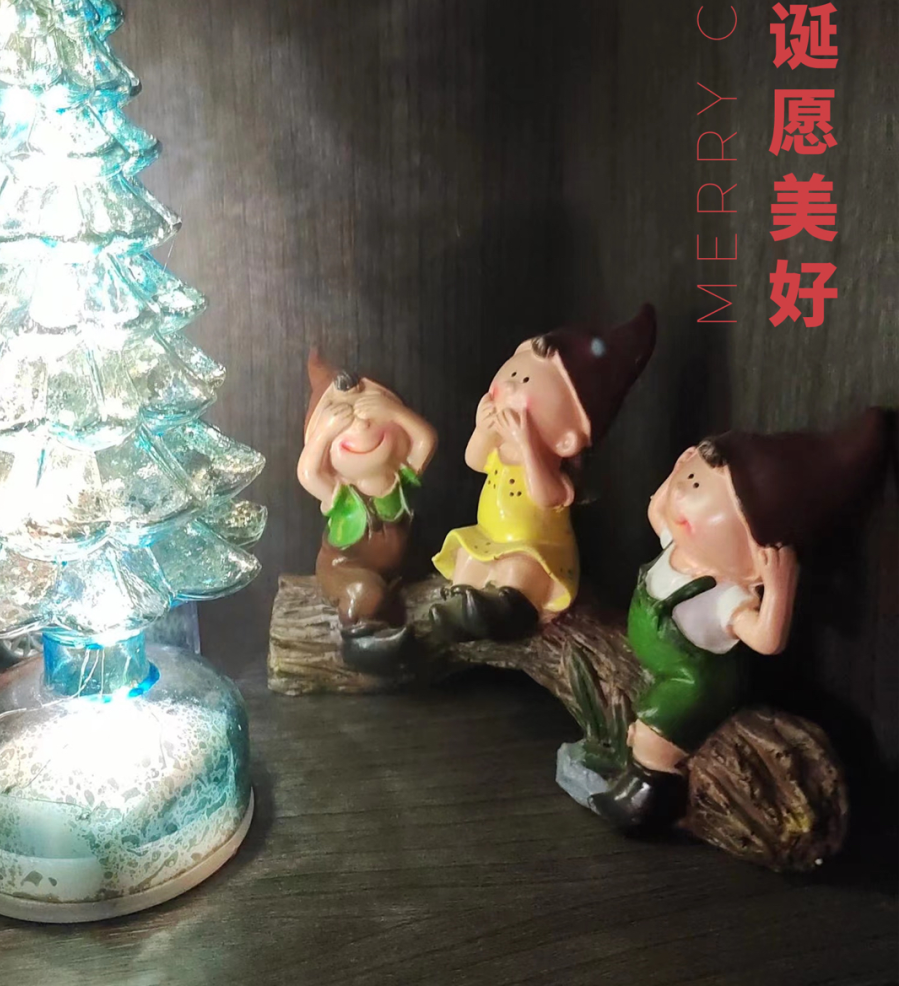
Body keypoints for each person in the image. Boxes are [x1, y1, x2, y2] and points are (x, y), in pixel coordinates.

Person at [592, 408, 888, 834]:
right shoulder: (678, 542)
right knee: (632, 724)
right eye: (692, 480)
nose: (685, 497)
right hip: (657, 663)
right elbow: (658, 509)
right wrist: (676, 472)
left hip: (694, 683)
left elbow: (768, 641)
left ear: (755, 558)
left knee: (653, 739)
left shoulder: (725, 595)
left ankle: (647, 804)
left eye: (706, 496)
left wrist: (780, 586)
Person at [429, 304, 656, 642]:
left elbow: (545, 496)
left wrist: (527, 446)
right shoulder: (499, 450)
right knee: (469, 560)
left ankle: (506, 609)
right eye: (512, 374)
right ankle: (459, 603)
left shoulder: (548, 469)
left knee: (519, 570)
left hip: (536, 548)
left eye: (523, 382)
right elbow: (473, 460)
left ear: (566, 440)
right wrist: (483, 430)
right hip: (489, 535)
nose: (509, 387)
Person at [298, 351, 437, 673]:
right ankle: (361, 644)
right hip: (345, 567)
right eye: (345, 420)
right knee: (365, 593)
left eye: (369, 411)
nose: (361, 424)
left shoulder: (400, 477)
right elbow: (307, 473)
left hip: (401, 569)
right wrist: (326, 431)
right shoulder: (340, 492)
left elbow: (427, 439)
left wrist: (394, 411)